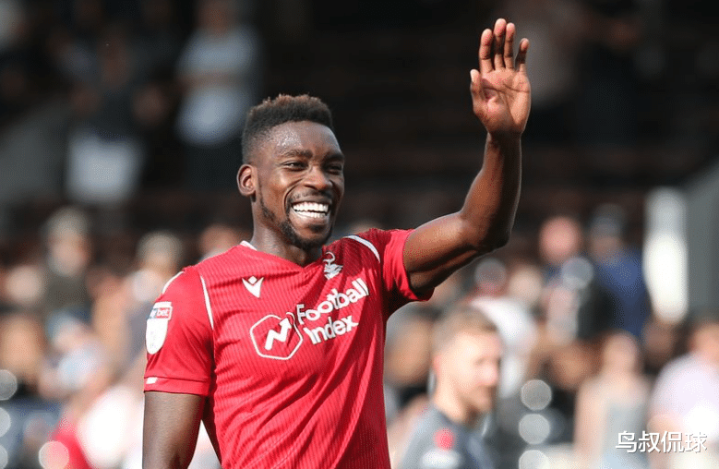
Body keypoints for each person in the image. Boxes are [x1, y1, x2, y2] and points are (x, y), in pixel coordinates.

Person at [142, 18, 530, 469]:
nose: (320, 181)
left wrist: (503, 140)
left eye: (333, 167)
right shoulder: (197, 296)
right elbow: (163, 461)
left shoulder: (368, 263)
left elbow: (479, 230)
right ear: (249, 181)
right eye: (295, 165)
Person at [397, 303, 502, 469]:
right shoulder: (441, 444)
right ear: (440, 364)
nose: (493, 378)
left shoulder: (466, 436)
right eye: (479, 363)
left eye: (498, 363)